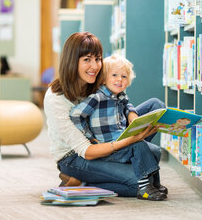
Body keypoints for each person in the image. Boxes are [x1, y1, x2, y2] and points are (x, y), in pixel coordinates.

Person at [43, 32, 167, 201]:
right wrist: (130, 141)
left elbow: (121, 99)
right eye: (87, 59)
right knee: (138, 182)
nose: (94, 66)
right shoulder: (55, 99)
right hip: (75, 157)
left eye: (98, 59)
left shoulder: (96, 81)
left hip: (108, 138)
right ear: (72, 60)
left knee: (155, 108)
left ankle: (128, 161)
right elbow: (86, 151)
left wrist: (131, 114)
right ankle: (83, 182)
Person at [69, 54, 166, 201]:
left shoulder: (119, 95)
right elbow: (76, 115)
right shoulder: (97, 98)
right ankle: (144, 188)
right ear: (103, 78)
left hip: (122, 137)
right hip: (109, 147)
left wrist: (131, 113)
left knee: (155, 150)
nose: (119, 79)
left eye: (124, 77)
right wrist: (89, 136)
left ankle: (155, 184)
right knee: (139, 145)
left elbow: (127, 103)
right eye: (114, 75)